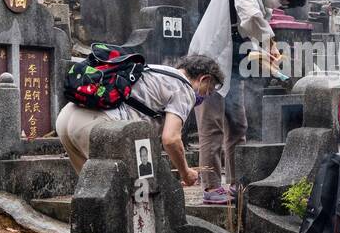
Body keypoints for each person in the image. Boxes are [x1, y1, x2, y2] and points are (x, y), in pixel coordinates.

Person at [188, 0, 306, 204]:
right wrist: (271, 42)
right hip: (208, 63)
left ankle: (235, 182)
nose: (280, 4)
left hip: (231, 67)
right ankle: (211, 187)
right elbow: (250, 16)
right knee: (212, 126)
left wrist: (268, 58)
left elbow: (249, 35)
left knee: (238, 126)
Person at [56, 53, 223, 184]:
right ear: (204, 79)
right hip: (98, 124)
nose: (205, 97)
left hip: (67, 117)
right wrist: (185, 172)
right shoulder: (184, 89)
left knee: (93, 187)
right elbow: (171, 139)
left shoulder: (157, 70)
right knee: (131, 188)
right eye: (208, 91)